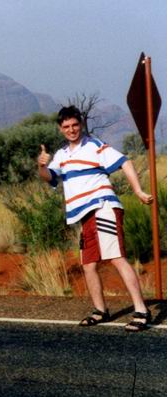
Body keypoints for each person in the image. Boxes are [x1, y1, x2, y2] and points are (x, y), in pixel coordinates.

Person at [37, 105, 153, 332]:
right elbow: (49, 177)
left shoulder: (94, 145)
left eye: (75, 125)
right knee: (89, 264)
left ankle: (142, 311)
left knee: (116, 257)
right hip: (84, 215)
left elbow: (124, 162)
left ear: (81, 125)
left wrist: (138, 191)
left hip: (103, 207)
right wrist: (41, 165)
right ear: (61, 129)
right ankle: (100, 310)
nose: (71, 130)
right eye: (66, 127)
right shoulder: (62, 154)